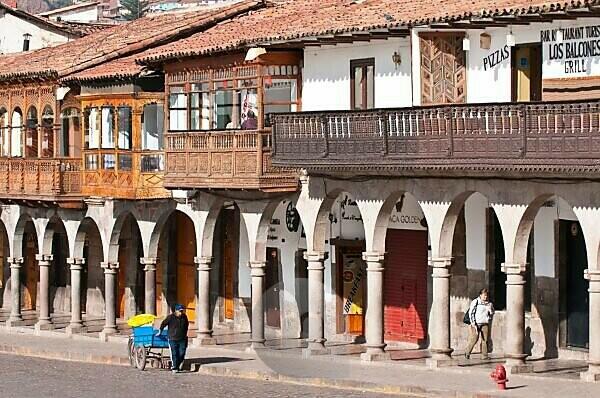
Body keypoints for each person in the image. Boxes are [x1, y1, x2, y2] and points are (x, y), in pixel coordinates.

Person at [158, 304, 189, 373]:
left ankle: (177, 364)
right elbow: (163, 323)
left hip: (182, 338)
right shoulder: (170, 317)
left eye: (182, 311)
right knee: (174, 353)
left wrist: (185, 334)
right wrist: (160, 331)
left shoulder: (184, 317)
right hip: (172, 338)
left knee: (182, 353)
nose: (181, 313)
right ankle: (174, 367)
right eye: (180, 311)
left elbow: (186, 325)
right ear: (176, 311)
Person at [465, 288, 494, 360]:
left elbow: (492, 312)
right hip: (476, 323)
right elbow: (471, 312)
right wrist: (473, 323)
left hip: (485, 323)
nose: (485, 297)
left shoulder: (489, 304)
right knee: (474, 338)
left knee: (485, 339)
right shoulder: (476, 302)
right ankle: (467, 352)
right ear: (480, 295)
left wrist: (490, 311)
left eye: (486, 296)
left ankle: (484, 355)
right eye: (484, 295)